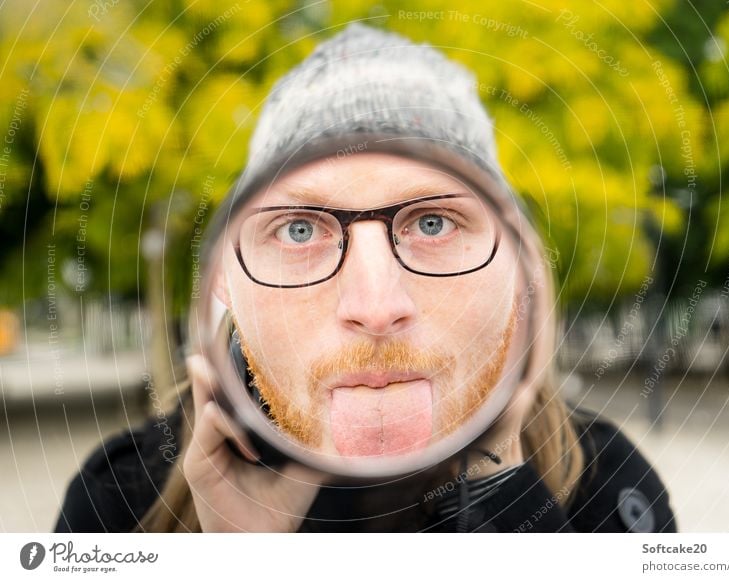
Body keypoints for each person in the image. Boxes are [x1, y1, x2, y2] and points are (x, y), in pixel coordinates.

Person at [54, 23, 677, 533]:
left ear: (518, 266)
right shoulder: (119, 505)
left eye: (433, 222)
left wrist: (512, 511)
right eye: (300, 229)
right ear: (226, 282)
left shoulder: (607, 493)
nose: (376, 306)